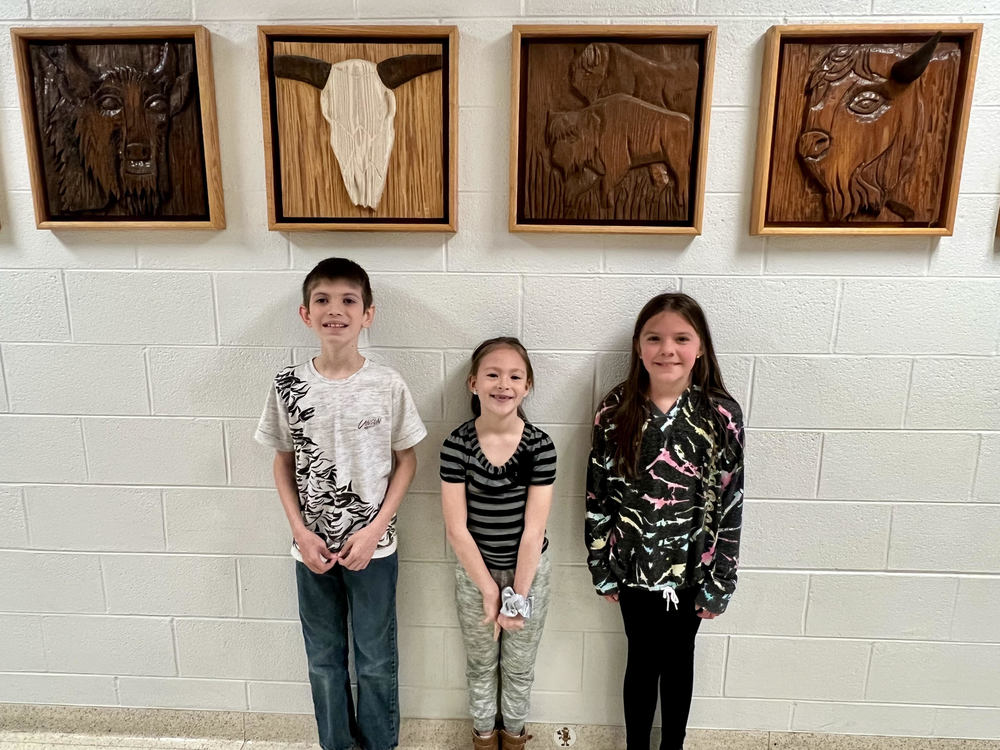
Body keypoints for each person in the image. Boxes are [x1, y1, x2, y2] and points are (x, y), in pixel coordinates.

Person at [255, 258, 426, 750]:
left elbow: (406, 461)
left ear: (368, 313)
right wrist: (301, 533)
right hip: (310, 552)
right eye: (323, 300)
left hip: (375, 548)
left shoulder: (387, 384)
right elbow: (282, 463)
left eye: (349, 300)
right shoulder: (288, 385)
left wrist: (376, 529)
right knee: (324, 660)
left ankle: (379, 744)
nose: (336, 310)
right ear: (305, 314)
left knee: (375, 658)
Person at [585, 293, 744, 750]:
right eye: (654, 338)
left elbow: (732, 502)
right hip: (632, 569)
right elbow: (598, 493)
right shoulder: (615, 410)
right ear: (638, 346)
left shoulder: (720, 414)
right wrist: (601, 566)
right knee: (641, 663)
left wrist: (723, 579)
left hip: (694, 571)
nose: (666, 349)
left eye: (680, 338)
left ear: (700, 348)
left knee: (679, 664)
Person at [440, 337, 557, 750]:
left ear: (527, 386)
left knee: (519, 667)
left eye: (514, 376)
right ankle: (485, 739)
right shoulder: (457, 444)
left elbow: (533, 531)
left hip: (529, 574)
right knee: (481, 664)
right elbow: (457, 528)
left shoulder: (540, 446)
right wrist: (490, 591)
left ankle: (514, 738)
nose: (502, 384)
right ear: (473, 383)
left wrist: (517, 598)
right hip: (475, 573)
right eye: (492, 374)